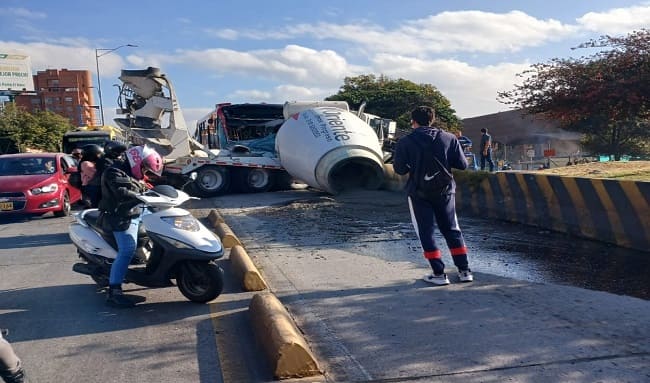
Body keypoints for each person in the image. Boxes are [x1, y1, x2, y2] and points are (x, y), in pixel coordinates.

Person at [393, 106, 473, 285]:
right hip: (445, 191)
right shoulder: (449, 138)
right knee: (452, 229)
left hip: (419, 192)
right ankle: (464, 270)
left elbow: (399, 169)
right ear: (432, 120)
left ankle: (439, 274)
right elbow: (462, 165)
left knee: (426, 231)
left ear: (413, 121)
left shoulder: (405, 142)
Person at [98, 145, 164, 307]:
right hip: (120, 216)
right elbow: (122, 191)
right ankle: (114, 292)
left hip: (136, 211)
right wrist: (140, 193)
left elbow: (145, 186)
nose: (145, 172)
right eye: (144, 168)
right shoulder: (113, 172)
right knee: (127, 249)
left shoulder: (130, 172)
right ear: (136, 162)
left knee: (163, 230)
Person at [79, 144, 104, 208]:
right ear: (92, 154)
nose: (100, 156)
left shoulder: (92, 162)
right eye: (98, 154)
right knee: (96, 206)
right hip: (90, 186)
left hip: (95, 185)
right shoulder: (85, 163)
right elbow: (95, 173)